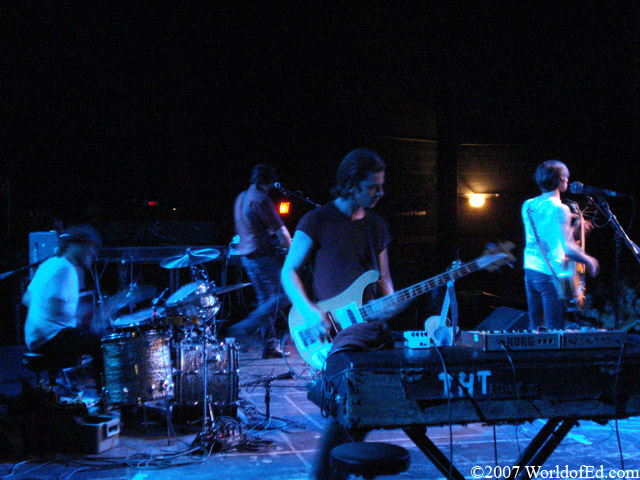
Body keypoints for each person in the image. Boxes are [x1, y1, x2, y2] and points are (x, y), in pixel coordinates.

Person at [281, 148, 393, 480]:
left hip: (369, 330)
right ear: (351, 184)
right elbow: (289, 272)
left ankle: (336, 471)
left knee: (357, 410)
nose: (380, 192)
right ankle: (327, 473)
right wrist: (310, 311)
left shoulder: (377, 226)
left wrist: (393, 301)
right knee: (349, 407)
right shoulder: (316, 220)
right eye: (373, 186)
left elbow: (385, 279)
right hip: (330, 330)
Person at [22, 224, 104, 393]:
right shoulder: (65, 268)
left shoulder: (50, 263)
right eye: (91, 251)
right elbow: (57, 306)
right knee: (101, 342)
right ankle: (105, 393)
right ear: (80, 247)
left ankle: (86, 384)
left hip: (35, 336)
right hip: (49, 337)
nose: (92, 257)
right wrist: (84, 318)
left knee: (89, 336)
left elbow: (26, 299)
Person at [522, 160, 599, 330]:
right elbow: (568, 248)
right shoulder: (560, 208)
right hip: (550, 275)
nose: (567, 181)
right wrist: (590, 260)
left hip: (531, 272)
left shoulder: (527, 205)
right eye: (566, 177)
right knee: (553, 331)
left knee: (535, 329)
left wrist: (576, 229)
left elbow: (549, 237)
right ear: (561, 179)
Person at [229, 164, 292, 359]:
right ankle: (244, 327)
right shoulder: (261, 200)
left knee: (266, 300)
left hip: (247, 258)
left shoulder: (242, 197)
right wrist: (292, 253)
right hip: (262, 257)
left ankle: (269, 346)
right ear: (270, 181)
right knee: (285, 295)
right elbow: (281, 231)